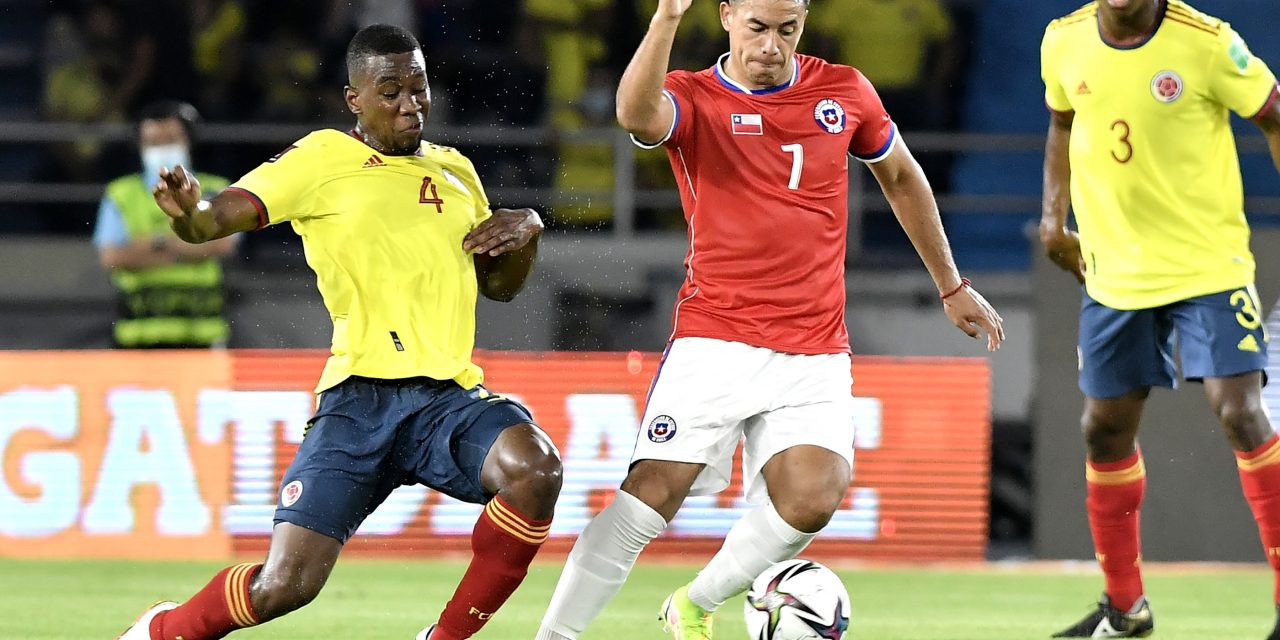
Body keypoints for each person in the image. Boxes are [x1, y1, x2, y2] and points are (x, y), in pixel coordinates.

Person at [536, 1, 1005, 638]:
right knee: (651, 497)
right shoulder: (693, 96)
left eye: (787, 30)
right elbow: (634, 115)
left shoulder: (842, 91)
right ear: (727, 16)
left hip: (814, 348)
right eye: (757, 28)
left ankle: (694, 604)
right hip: (716, 339)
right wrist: (667, 18)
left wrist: (951, 285)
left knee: (816, 494)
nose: (771, 46)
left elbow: (900, 175)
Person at [117, 24, 562, 640]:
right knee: (284, 587)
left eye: (420, 87)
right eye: (391, 91)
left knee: (535, 470)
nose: (412, 103)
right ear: (354, 99)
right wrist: (191, 212)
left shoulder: (457, 170)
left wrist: (526, 234)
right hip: (359, 403)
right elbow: (213, 221)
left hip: (447, 400)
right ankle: (160, 631)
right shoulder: (321, 159)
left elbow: (501, 286)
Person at [1039, 1, 1280, 637]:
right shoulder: (1062, 41)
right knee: (1103, 430)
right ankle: (1126, 609)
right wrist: (1051, 217)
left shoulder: (1207, 43)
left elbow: (1275, 115)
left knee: (1240, 411)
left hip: (1210, 266)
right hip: (1114, 271)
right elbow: (1061, 126)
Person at [93, 101, 236, 349]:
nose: (163, 149)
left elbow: (222, 246)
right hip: (136, 339)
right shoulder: (120, 194)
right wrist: (190, 244)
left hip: (203, 337)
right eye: (153, 143)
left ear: (189, 141)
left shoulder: (215, 189)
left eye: (171, 139)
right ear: (139, 146)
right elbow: (112, 256)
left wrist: (152, 245)